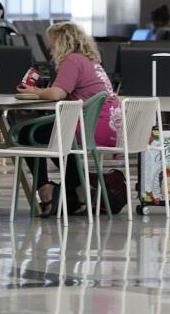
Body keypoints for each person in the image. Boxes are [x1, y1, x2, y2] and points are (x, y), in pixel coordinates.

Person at [16, 22, 123, 217]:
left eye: (53, 43)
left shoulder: (72, 60)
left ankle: (46, 191)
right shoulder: (90, 61)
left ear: (62, 42)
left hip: (92, 127)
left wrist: (35, 91)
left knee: (28, 134)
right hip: (110, 127)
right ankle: (81, 191)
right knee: (57, 136)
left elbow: (57, 93)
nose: (51, 49)